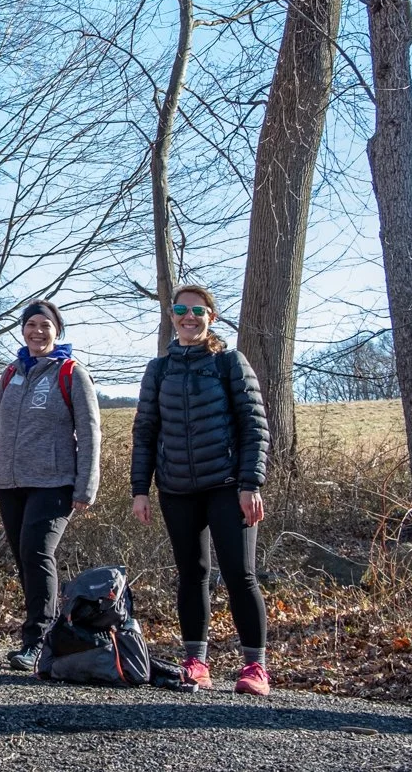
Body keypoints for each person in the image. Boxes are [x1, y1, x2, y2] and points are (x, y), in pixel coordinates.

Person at [132, 285, 272, 695]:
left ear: (210, 316)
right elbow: (145, 433)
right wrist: (140, 489)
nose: (188, 316)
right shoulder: (158, 370)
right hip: (176, 488)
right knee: (191, 575)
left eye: (197, 310)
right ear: (171, 317)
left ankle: (254, 668)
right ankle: (195, 661)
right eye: (180, 310)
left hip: (229, 487)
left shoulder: (230, 362)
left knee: (239, 575)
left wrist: (251, 483)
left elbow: (254, 427)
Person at [0, 299, 101, 671]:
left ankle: (38, 640)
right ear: (23, 329)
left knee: (36, 553)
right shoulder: (11, 373)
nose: (37, 331)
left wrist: (86, 486)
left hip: (55, 482)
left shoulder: (70, 372)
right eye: (31, 324)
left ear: (57, 331)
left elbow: (90, 430)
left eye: (45, 325)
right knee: (24, 558)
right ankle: (44, 635)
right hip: (10, 483)